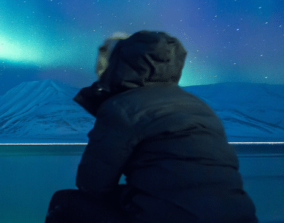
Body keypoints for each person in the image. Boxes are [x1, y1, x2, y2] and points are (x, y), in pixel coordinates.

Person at [45, 30, 258, 223]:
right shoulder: (199, 107)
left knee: (63, 202)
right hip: (240, 216)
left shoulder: (122, 107)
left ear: (120, 64)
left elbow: (91, 185)